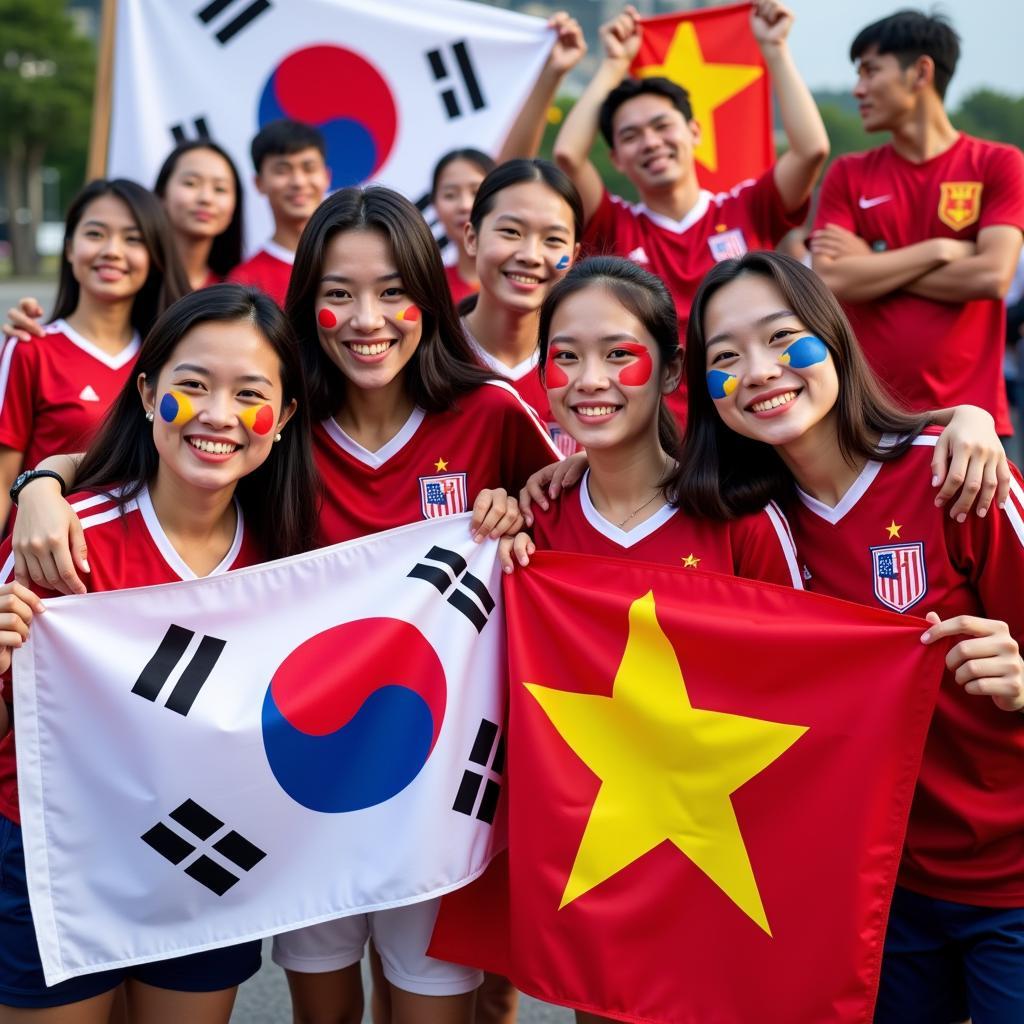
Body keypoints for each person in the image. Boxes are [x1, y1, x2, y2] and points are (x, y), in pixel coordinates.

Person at [10, 185, 557, 1024]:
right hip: (293, 788)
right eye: (339, 293)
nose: (368, 318)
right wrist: (44, 481)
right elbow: (167, 438)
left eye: (394, 292)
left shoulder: (490, 413)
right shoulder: (286, 427)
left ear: (430, 298)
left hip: (435, 789)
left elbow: (571, 537)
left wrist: (518, 518)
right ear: (308, 305)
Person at [680, 250, 1024, 1024]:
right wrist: (538, 481)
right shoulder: (737, 523)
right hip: (874, 893)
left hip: (1009, 883)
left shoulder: (954, 474)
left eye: (781, 338)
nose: (760, 371)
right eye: (724, 357)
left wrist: (1022, 679)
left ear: (833, 338)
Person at [0, 282, 319, 1021]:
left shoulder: (293, 559)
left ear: (286, 417)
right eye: (193, 386)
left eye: (250, 394)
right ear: (147, 395)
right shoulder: (64, 536)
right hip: (60, 861)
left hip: (205, 863)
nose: (217, 416)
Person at [552, 0, 827, 423]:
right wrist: (613, 63)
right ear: (617, 158)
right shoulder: (613, 223)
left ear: (693, 132)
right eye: (631, 135)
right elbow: (568, 156)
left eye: (662, 126)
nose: (650, 142)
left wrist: (774, 49)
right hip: (658, 441)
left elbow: (811, 150)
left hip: (748, 425)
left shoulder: (746, 206)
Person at [498, 255, 802, 597]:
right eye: (567, 356)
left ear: (671, 370)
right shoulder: (532, 526)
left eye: (618, 354)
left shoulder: (743, 523)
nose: (589, 380)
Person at [809, 10, 1024, 437]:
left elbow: (990, 276)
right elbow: (830, 280)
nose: (858, 89)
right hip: (869, 421)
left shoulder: (999, 164)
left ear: (921, 71)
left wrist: (873, 262)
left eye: (871, 71)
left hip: (971, 422)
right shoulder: (848, 173)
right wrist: (940, 250)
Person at [0, 178, 189, 528]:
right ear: (69, 249)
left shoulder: (172, 359)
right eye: (95, 234)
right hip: (42, 565)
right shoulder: (30, 348)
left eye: (133, 239)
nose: (112, 251)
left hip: (135, 566)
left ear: (154, 255)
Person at [434, 11, 586, 307]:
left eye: (475, 191)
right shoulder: (426, 291)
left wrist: (551, 73)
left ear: (575, 251)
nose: (465, 204)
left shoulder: (568, 319)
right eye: (450, 194)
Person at [461, 159, 583, 455]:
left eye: (553, 239)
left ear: (574, 254)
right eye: (511, 232)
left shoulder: (590, 367)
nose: (531, 255)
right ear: (472, 238)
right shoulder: (425, 355)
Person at [227, 119, 331, 306]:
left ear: (327, 177)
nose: (298, 181)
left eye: (309, 168)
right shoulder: (244, 282)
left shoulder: (354, 260)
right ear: (259, 183)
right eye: (282, 170)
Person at [154, 138, 245, 290]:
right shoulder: (132, 281)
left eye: (220, 189)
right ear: (162, 193)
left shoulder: (237, 290)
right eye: (191, 183)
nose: (206, 198)